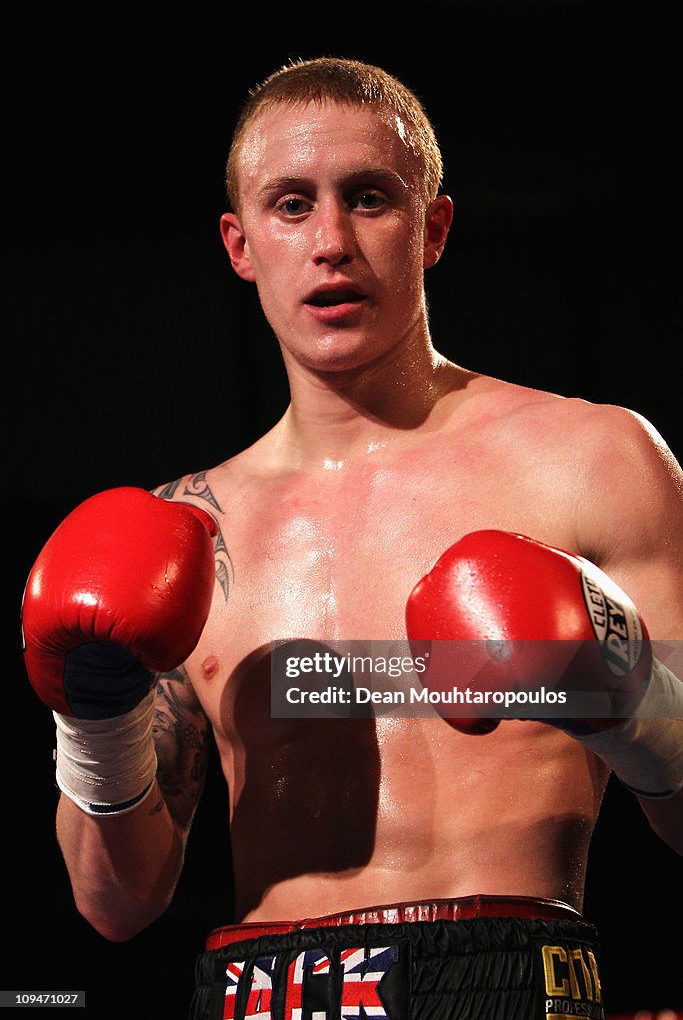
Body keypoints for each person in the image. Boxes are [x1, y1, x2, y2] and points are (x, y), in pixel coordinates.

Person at [22, 57, 682, 1020]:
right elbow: (114, 904)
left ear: (434, 227)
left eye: (367, 198)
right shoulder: (191, 530)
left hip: (506, 978)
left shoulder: (592, 460)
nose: (330, 241)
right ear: (239, 245)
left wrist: (630, 699)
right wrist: (97, 717)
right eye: (291, 206)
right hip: (256, 992)